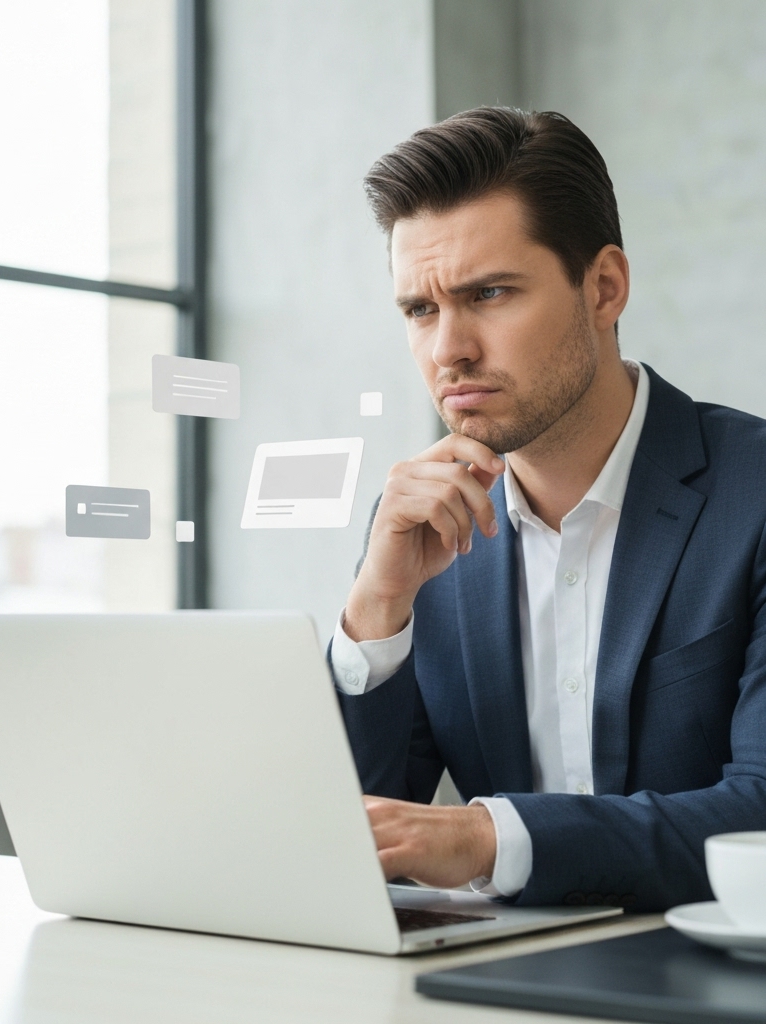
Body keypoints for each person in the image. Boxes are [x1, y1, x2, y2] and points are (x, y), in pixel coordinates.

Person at [330, 106, 766, 911]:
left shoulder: (754, 493)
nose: (447, 350)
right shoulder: (424, 532)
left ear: (603, 287)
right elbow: (351, 840)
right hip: (500, 980)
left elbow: (763, 814)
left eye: (488, 293)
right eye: (420, 311)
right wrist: (377, 611)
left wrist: (488, 839)